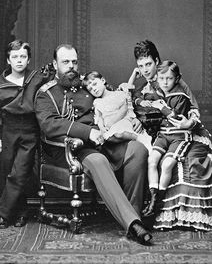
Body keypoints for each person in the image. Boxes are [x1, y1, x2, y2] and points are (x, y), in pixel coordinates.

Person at [34, 44, 152, 244]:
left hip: (105, 141)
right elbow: (49, 125)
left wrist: (125, 97)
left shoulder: (86, 84)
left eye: (74, 61)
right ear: (55, 64)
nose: (71, 66)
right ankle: (133, 224)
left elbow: (110, 97)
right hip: (72, 149)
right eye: (65, 62)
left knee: (137, 149)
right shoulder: (46, 93)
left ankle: (133, 214)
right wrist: (88, 132)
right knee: (98, 161)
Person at [124, 39, 212, 231]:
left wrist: (189, 122)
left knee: (184, 160)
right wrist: (138, 120)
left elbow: (193, 108)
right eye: (141, 66)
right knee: (151, 158)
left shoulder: (172, 79)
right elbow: (135, 106)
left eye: (149, 64)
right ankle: (152, 207)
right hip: (162, 135)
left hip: (186, 130)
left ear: (157, 61)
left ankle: (182, 215)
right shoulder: (143, 89)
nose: (146, 70)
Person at [0, 40, 53, 229]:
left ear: (28, 58)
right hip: (8, 131)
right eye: (14, 57)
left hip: (30, 130)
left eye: (23, 56)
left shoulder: (35, 78)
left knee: (20, 171)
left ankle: (4, 214)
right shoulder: (0, 85)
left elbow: (51, 81)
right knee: (12, 173)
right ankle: (21, 212)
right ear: (8, 60)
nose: (19, 60)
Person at [142, 60, 212, 217]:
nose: (165, 82)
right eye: (162, 78)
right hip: (162, 134)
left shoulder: (180, 95)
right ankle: (152, 198)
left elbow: (174, 116)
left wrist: (161, 107)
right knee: (151, 160)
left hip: (179, 134)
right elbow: (140, 101)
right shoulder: (155, 89)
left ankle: (157, 202)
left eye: (169, 78)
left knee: (167, 165)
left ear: (177, 78)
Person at [82, 70, 152, 151]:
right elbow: (99, 117)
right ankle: (134, 141)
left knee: (119, 134)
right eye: (90, 89)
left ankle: (139, 138)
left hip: (123, 122)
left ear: (102, 80)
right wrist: (101, 128)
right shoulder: (97, 102)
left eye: (95, 84)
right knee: (108, 138)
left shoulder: (118, 94)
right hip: (111, 127)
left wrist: (133, 74)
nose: (94, 89)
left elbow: (127, 103)